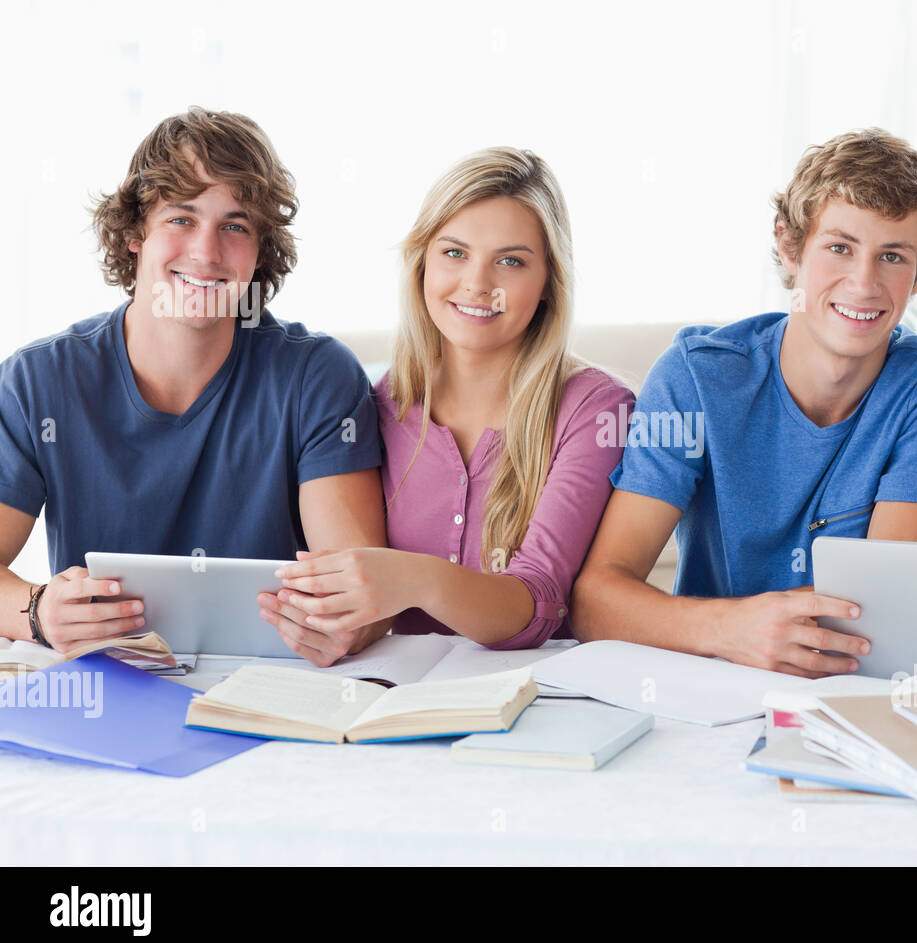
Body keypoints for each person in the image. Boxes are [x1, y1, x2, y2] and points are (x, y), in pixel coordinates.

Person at [569, 128, 917, 676]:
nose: (863, 283)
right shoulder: (697, 377)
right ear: (791, 248)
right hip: (707, 677)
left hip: (851, 687)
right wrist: (729, 629)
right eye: (840, 248)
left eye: (892, 257)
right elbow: (595, 600)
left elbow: (890, 608)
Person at [0, 107, 387, 666]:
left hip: (273, 684)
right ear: (136, 235)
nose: (206, 252)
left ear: (259, 253)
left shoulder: (317, 377)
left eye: (234, 226)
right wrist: (35, 612)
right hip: (113, 680)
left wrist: (352, 626)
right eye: (181, 219)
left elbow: (357, 585)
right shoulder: (36, 383)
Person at [273, 148, 634, 649]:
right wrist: (329, 628)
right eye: (454, 253)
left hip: (546, 700)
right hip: (402, 697)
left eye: (511, 261)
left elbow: (537, 604)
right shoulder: (376, 405)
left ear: (549, 280)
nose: (478, 284)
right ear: (421, 264)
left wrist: (417, 579)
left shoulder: (596, 411)